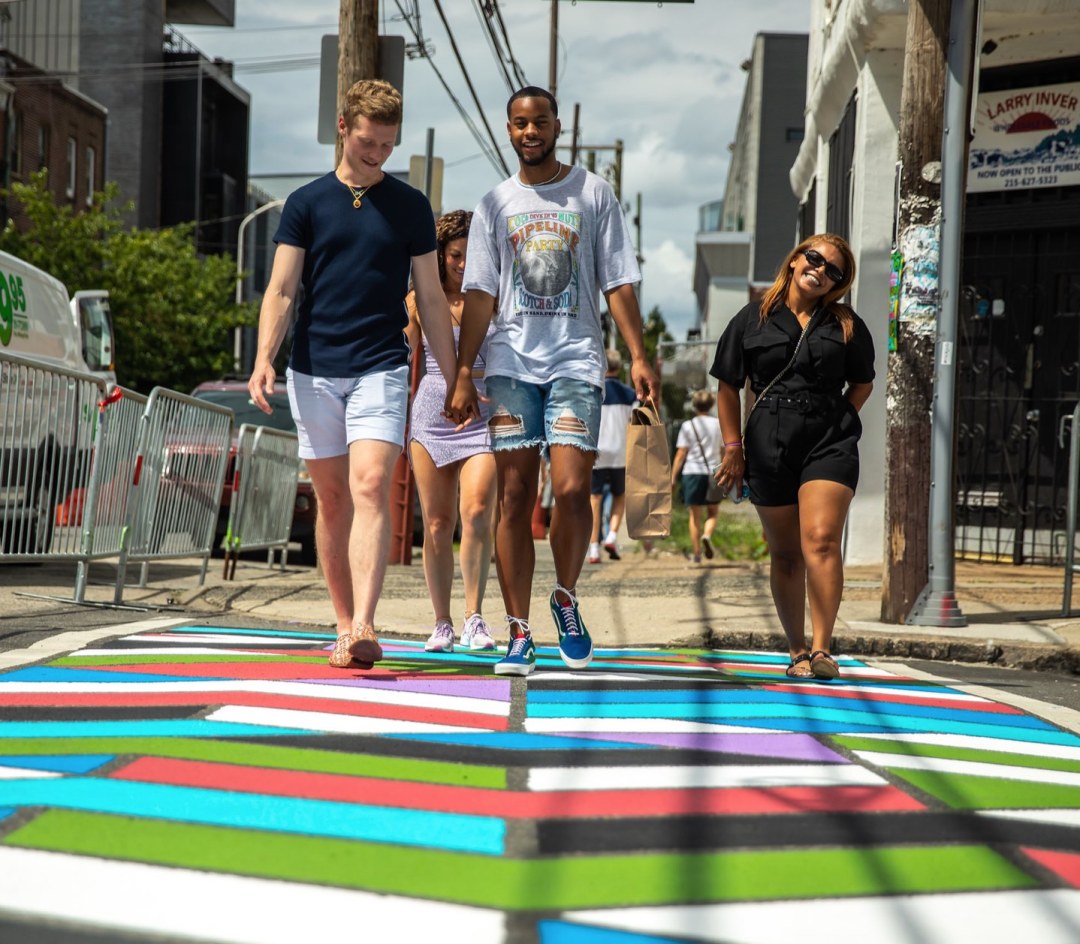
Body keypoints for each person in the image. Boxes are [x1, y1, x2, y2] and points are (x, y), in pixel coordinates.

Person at [447, 85, 661, 677]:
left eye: (539, 121)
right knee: (515, 498)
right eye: (519, 123)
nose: (530, 132)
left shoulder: (593, 193)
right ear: (509, 130)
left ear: (557, 126)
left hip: (576, 361)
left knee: (570, 489)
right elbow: (481, 293)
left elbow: (617, 281)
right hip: (511, 365)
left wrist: (639, 355)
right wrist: (465, 371)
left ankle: (564, 596)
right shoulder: (496, 204)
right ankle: (519, 631)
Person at [247, 79, 458, 670]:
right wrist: (265, 358)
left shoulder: (412, 206)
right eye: (369, 142)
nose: (378, 155)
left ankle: (366, 622)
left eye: (388, 146)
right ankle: (343, 625)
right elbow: (283, 290)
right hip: (312, 370)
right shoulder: (306, 203)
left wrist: (451, 376)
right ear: (343, 128)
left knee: (369, 487)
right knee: (333, 500)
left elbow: (433, 300)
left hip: (381, 365)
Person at [710, 234, 874, 681]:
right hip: (768, 443)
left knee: (820, 539)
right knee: (785, 554)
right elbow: (727, 385)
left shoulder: (845, 324)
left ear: (838, 283)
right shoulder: (754, 316)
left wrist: (841, 419)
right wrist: (733, 448)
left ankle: (823, 649)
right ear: (796, 257)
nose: (820, 269)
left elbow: (863, 381)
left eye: (834, 270)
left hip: (829, 442)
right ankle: (797, 650)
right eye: (815, 258)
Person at [404, 210, 498, 653]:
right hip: (433, 413)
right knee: (438, 523)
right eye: (455, 255)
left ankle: (473, 617)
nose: (463, 264)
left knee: (477, 510)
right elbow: (403, 356)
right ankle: (441, 622)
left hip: (484, 412)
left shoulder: (495, 297)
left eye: (470, 255)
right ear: (439, 256)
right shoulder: (418, 300)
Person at [588, 349, 637, 564]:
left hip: (597, 451)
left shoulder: (593, 390)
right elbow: (634, 423)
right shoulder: (630, 394)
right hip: (620, 452)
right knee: (619, 496)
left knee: (594, 499)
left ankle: (593, 549)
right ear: (619, 367)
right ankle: (612, 535)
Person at [671, 389, 722, 563]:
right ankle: (707, 535)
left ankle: (697, 554)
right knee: (713, 512)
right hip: (713, 473)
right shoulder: (719, 424)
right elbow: (723, 451)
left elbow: (681, 454)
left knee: (694, 516)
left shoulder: (688, 426)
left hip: (692, 473)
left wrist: (673, 477)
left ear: (694, 405)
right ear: (711, 405)